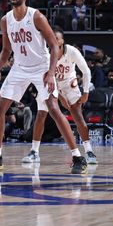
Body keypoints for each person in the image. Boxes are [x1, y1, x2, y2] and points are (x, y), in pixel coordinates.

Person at [0, 0, 87, 175]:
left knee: (53, 108)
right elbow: (6, 50)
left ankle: (78, 157)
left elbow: (54, 46)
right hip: (19, 67)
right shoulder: (6, 20)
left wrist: (51, 72)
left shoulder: (36, 16)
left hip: (41, 67)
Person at [22, 28, 97, 165]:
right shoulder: (44, 53)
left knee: (78, 115)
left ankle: (89, 151)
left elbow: (86, 71)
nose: (53, 39)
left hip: (69, 84)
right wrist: (60, 96)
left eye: (56, 38)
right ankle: (34, 151)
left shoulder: (72, 51)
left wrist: (86, 92)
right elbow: (45, 75)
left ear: (62, 40)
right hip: (50, 83)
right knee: (41, 114)